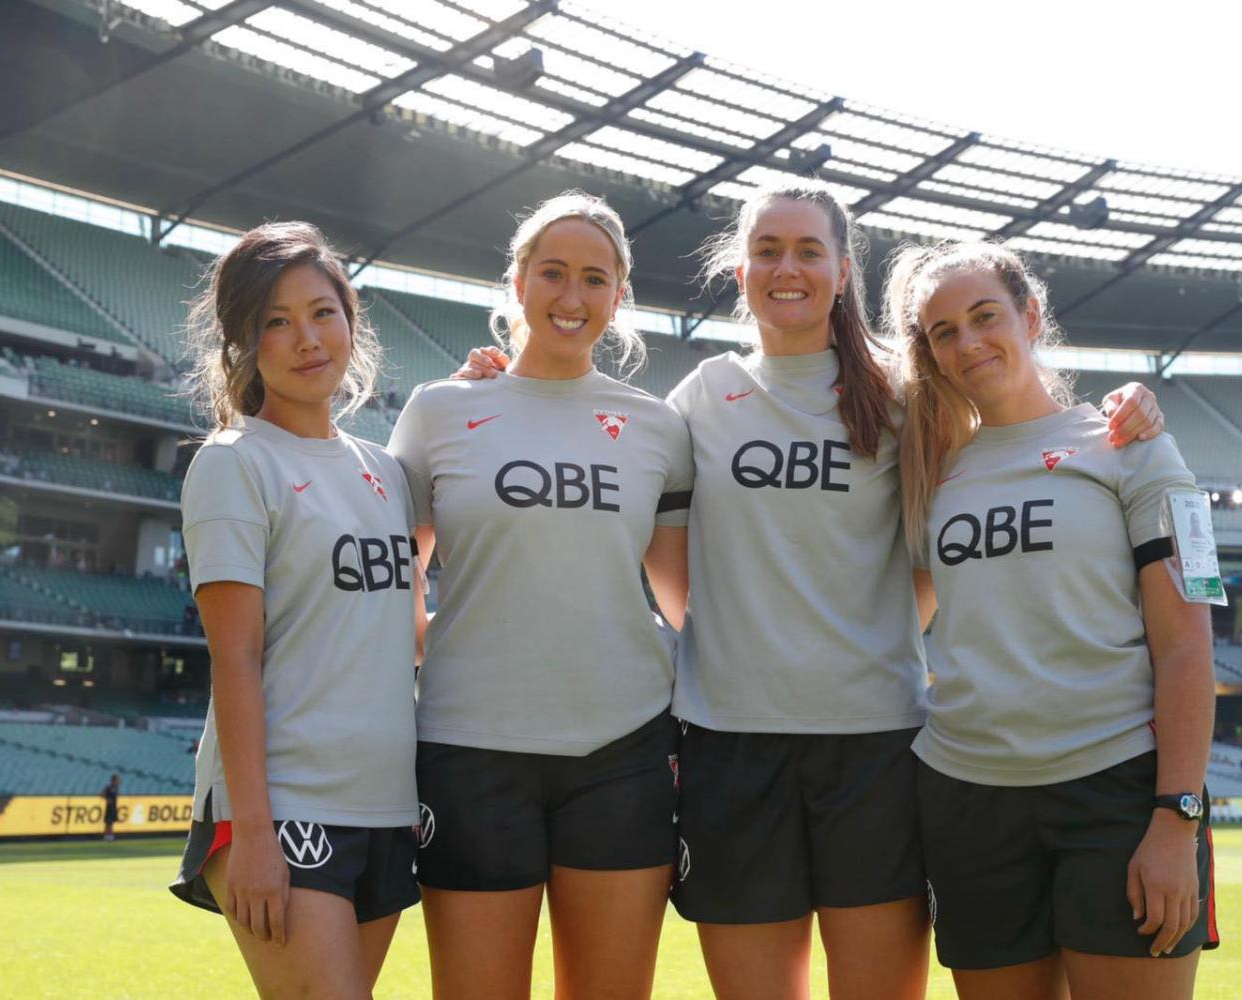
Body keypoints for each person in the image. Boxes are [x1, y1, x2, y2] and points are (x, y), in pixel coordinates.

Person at [455, 182, 1165, 1000]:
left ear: (839, 270)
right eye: (766, 250)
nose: (784, 268)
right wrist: (499, 382)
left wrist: (1130, 408)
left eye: (806, 251)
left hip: (876, 748)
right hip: (730, 746)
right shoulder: (702, 398)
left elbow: (971, 510)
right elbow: (668, 562)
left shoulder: (908, 395)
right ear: (738, 268)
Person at [888, 239, 1219, 1000]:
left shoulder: (1132, 448)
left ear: (1030, 315)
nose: (967, 342)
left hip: (1117, 794)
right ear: (931, 355)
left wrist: (1177, 818)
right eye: (943, 332)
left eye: (983, 317)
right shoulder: (926, 477)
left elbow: (1187, 646)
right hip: (966, 799)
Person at [386, 192, 693, 1000]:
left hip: (622, 751)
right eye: (551, 272)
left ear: (617, 296)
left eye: (594, 278)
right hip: (470, 748)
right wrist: (441, 659)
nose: (570, 296)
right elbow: (393, 581)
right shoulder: (439, 410)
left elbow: (684, 599)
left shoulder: (658, 428)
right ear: (516, 281)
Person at [168, 222, 422, 998]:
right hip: (280, 809)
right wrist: (249, 834)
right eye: (275, 322)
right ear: (242, 343)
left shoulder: (386, 470)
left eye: (322, 312)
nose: (306, 339)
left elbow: (401, 635)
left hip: (385, 802)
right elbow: (235, 658)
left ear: (351, 319)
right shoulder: (233, 463)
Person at [101, 774, 121, 841]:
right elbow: (101, 794)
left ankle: (109, 836)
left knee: (111, 823)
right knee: (108, 823)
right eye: (117, 780)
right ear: (113, 780)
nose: (118, 782)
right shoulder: (108, 787)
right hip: (109, 807)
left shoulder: (116, 788)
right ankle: (108, 836)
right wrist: (107, 799)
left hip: (114, 807)